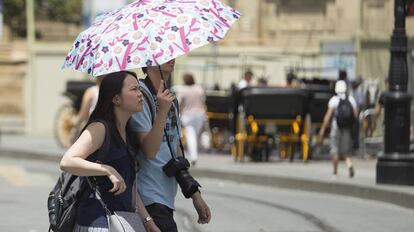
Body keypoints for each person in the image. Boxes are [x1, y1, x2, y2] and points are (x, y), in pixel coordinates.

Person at [59, 71, 161, 232]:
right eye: (134, 89)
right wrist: (107, 170)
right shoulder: (100, 128)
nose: (140, 94)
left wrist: (148, 221)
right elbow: (67, 161)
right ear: (116, 99)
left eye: (139, 89)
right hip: (97, 223)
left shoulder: (129, 132)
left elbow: (131, 185)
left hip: (121, 222)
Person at [129, 59, 211, 232]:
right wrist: (162, 111)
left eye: (171, 53)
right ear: (148, 61)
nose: (171, 58)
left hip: (166, 196)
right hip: (148, 196)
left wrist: (194, 193)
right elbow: (150, 151)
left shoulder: (170, 97)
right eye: (162, 55)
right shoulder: (140, 97)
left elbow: (176, 150)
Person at [319, 80, 358, 179]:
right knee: (345, 150)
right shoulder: (351, 99)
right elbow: (355, 115)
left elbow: (328, 115)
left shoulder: (334, 100)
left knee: (334, 149)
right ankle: (349, 164)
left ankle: (335, 172)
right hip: (347, 128)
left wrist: (323, 128)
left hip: (336, 126)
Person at [178, 73, 207, 165]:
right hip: (200, 114)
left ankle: (194, 156)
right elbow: (203, 102)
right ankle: (195, 154)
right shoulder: (199, 89)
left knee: (191, 135)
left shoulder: (183, 90)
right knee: (196, 135)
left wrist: (179, 113)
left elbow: (180, 103)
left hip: (188, 115)